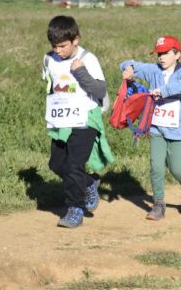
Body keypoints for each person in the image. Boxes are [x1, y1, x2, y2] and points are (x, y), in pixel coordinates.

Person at [43, 16, 113, 228]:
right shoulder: (48, 59)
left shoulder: (88, 58)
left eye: (62, 46)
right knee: (56, 164)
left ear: (76, 40)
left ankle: (75, 208)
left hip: (85, 118)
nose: (58, 50)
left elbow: (100, 90)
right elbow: (52, 86)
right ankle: (89, 182)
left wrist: (80, 72)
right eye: (54, 46)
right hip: (62, 119)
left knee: (74, 165)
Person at [120, 36, 181, 221]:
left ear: (177, 54)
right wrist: (129, 69)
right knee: (156, 166)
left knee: (177, 168)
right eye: (159, 54)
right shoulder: (153, 70)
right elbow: (127, 64)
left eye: (166, 53)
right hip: (156, 128)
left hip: (176, 131)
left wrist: (162, 91)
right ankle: (158, 205)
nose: (161, 57)